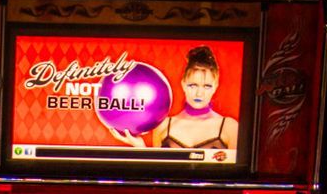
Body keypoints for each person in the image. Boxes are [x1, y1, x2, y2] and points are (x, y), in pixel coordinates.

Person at [102, 45, 239, 151]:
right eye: (193, 85)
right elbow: (158, 175)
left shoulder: (229, 127)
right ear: (183, 84)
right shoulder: (163, 125)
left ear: (215, 86)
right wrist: (141, 148)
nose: (199, 93)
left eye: (207, 86)